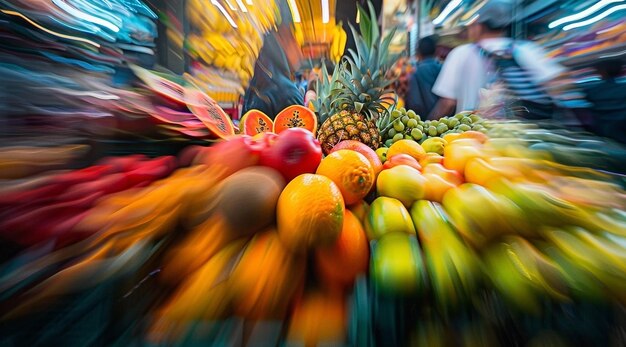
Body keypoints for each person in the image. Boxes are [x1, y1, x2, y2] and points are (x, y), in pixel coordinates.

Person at [429, 0, 564, 119]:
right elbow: (559, 85)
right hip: (517, 139)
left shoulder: (461, 53)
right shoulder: (526, 50)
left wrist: (429, 127)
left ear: (479, 26)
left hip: (471, 139)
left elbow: (448, 102)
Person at [582, 59, 626, 144]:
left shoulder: (590, 89)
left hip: (601, 131)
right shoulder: (624, 88)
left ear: (600, 72)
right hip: (622, 129)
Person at [405, 35, 442, 118]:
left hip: (424, 123)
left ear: (418, 52)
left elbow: (415, 103)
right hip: (446, 123)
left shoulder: (416, 72)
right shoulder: (442, 68)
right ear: (436, 51)